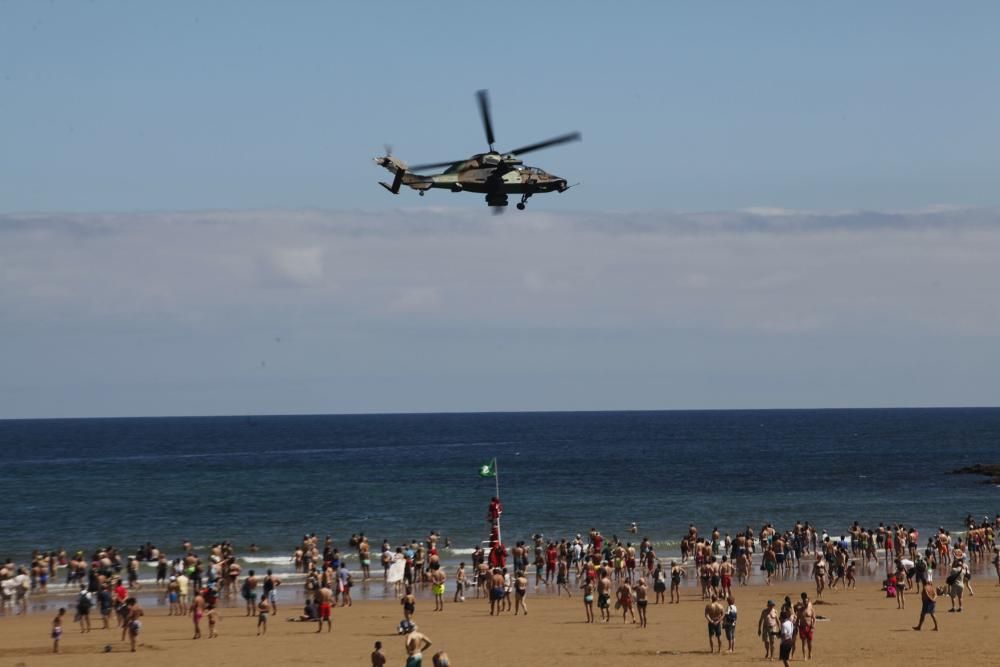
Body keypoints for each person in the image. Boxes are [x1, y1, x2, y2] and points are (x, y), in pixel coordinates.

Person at [796, 592, 815, 660]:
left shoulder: (811, 609)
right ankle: (804, 656)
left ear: (808, 601)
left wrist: (813, 627)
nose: (805, 602)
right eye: (804, 601)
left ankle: (810, 653)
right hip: (802, 627)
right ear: (803, 602)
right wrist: (796, 626)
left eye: (806, 601)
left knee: (810, 642)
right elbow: (797, 619)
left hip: (809, 627)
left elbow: (814, 619)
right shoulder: (800, 610)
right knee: (803, 643)